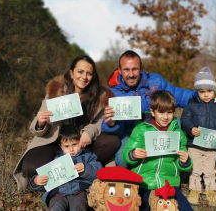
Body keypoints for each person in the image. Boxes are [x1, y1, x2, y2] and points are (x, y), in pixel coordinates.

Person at [13, 55, 120, 190]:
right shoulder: (56, 92)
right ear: (71, 73)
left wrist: (89, 131)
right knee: (31, 167)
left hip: (81, 146)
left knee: (113, 141)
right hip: (54, 142)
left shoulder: (100, 96)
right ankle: (64, 172)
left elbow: (100, 122)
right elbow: (36, 128)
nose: (84, 77)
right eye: (80, 72)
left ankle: (85, 168)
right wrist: (41, 122)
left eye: (89, 73)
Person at [102, 50, 198, 167]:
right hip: (131, 133)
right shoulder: (113, 92)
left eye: (135, 69)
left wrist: (201, 97)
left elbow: (179, 95)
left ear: (141, 68)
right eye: (126, 69)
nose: (131, 74)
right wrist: (111, 124)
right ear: (120, 70)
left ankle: (181, 161)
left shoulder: (155, 81)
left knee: (177, 121)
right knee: (122, 160)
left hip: (158, 127)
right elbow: (114, 129)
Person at [122, 90, 194, 211]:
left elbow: (180, 164)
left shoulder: (178, 133)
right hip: (144, 182)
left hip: (169, 183)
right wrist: (133, 154)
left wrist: (184, 161)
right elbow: (126, 155)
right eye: (161, 112)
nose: (165, 117)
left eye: (169, 112)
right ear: (153, 112)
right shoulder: (141, 130)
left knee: (185, 209)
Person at [180, 66, 216, 206]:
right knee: (196, 170)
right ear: (197, 91)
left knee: (210, 171)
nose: (205, 94)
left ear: (214, 90)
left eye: (209, 91)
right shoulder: (191, 105)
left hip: (212, 146)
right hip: (195, 145)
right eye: (202, 91)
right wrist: (191, 128)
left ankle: (211, 193)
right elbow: (185, 120)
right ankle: (194, 191)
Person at [29, 125, 102, 211]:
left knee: (78, 208)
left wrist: (86, 169)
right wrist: (36, 182)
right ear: (61, 146)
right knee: (56, 208)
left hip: (80, 192)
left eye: (74, 144)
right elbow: (48, 180)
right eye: (66, 146)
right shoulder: (55, 160)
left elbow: (98, 172)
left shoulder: (87, 156)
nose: (71, 149)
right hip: (58, 193)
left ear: (80, 142)